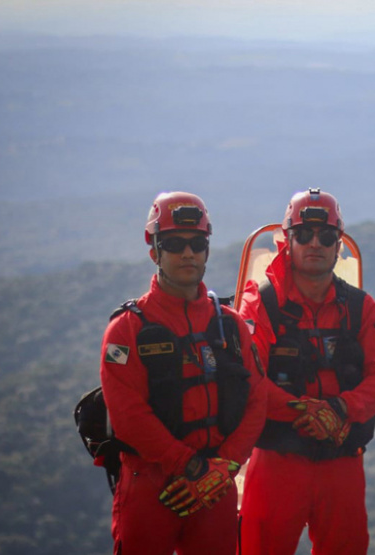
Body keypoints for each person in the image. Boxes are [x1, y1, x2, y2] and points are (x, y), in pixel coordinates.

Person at [100, 191, 267, 555]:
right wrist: (190, 466)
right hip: (152, 483)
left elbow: (257, 400)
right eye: (174, 244)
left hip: (217, 483)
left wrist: (225, 467)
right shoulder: (127, 330)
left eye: (197, 243)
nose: (188, 253)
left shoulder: (232, 325)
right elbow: (129, 418)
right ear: (154, 252)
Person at [237, 188, 375, 555]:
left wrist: (340, 408)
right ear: (286, 241)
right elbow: (248, 376)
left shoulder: (360, 306)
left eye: (326, 236)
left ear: (339, 245)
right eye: (303, 235)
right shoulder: (260, 300)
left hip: (342, 461)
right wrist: (304, 411)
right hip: (277, 460)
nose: (315, 243)